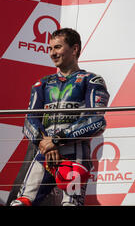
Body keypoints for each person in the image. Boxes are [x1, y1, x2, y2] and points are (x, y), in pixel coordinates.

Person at [10, 28, 109, 206]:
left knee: (70, 204)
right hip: (44, 153)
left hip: (75, 155)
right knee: (21, 202)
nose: (52, 53)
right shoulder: (42, 83)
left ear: (75, 49)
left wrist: (57, 140)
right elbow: (29, 121)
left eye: (57, 47)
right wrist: (45, 143)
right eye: (50, 48)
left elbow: (95, 120)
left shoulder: (92, 80)